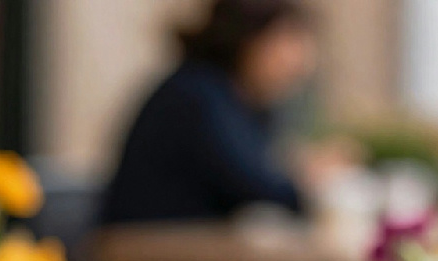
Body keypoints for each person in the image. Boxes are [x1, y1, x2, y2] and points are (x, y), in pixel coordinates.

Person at [100, 0, 316, 224]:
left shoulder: (233, 99)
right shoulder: (197, 95)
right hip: (148, 241)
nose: (298, 63)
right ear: (248, 39)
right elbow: (256, 185)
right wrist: (309, 181)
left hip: (181, 239)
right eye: (287, 41)